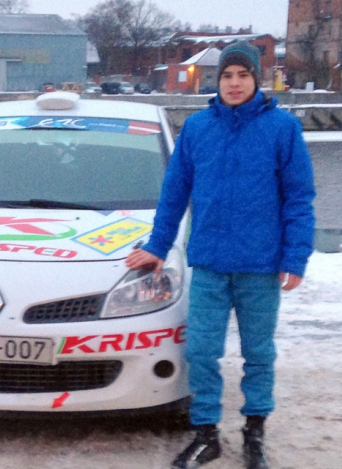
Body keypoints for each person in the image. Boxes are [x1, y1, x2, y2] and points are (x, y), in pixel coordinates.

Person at [126, 41, 315, 469]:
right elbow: (174, 193)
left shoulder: (282, 129)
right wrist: (157, 246)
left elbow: (299, 199)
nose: (234, 83)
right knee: (200, 352)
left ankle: (254, 432)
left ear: (257, 80)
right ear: (218, 81)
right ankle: (206, 433)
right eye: (227, 75)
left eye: (243, 75)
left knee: (258, 354)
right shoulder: (197, 128)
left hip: (260, 266)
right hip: (209, 263)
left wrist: (295, 257)